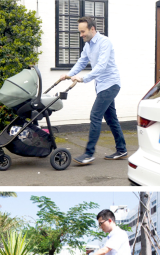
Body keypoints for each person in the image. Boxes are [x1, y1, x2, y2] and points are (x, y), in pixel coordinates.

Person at [60, 17, 127, 165]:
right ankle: (122, 149)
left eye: (82, 31)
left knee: (95, 115)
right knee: (111, 119)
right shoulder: (88, 46)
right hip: (102, 86)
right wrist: (69, 75)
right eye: (80, 32)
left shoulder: (105, 42)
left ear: (92, 29)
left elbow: (101, 66)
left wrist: (83, 79)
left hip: (111, 84)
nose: (81, 35)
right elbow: (82, 61)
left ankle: (89, 154)